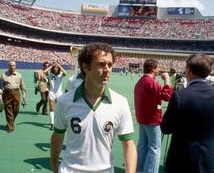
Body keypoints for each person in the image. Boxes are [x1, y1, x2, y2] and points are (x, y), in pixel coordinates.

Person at [50, 42, 137, 173]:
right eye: (101, 64)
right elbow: (57, 135)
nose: (107, 69)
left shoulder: (120, 103)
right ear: (85, 67)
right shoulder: (64, 101)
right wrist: (54, 164)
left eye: (110, 64)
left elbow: (128, 144)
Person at [161, 53, 214, 173]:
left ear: (189, 70)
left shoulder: (179, 96)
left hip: (180, 159)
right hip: (206, 159)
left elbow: (166, 128)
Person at [134, 59, 173, 173]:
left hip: (142, 118)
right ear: (153, 69)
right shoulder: (152, 82)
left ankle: (139, 169)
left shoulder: (140, 82)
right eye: (158, 67)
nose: (159, 69)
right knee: (155, 148)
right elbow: (167, 96)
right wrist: (167, 80)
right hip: (152, 119)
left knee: (142, 145)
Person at [1, 60, 26, 133]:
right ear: (8, 66)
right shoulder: (4, 75)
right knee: (8, 110)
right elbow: (0, 86)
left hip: (16, 93)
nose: (12, 67)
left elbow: (22, 86)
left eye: (13, 65)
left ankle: (10, 122)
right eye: (10, 65)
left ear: (15, 66)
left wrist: (24, 94)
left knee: (16, 110)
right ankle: (10, 127)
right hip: (7, 93)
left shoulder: (19, 75)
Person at [45, 62, 66, 130]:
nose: (55, 68)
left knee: (59, 109)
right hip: (51, 93)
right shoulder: (50, 74)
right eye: (54, 67)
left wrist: (59, 65)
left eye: (56, 67)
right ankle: (52, 124)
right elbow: (44, 72)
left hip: (59, 93)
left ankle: (57, 121)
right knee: (51, 109)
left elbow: (65, 73)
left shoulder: (61, 74)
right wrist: (51, 66)